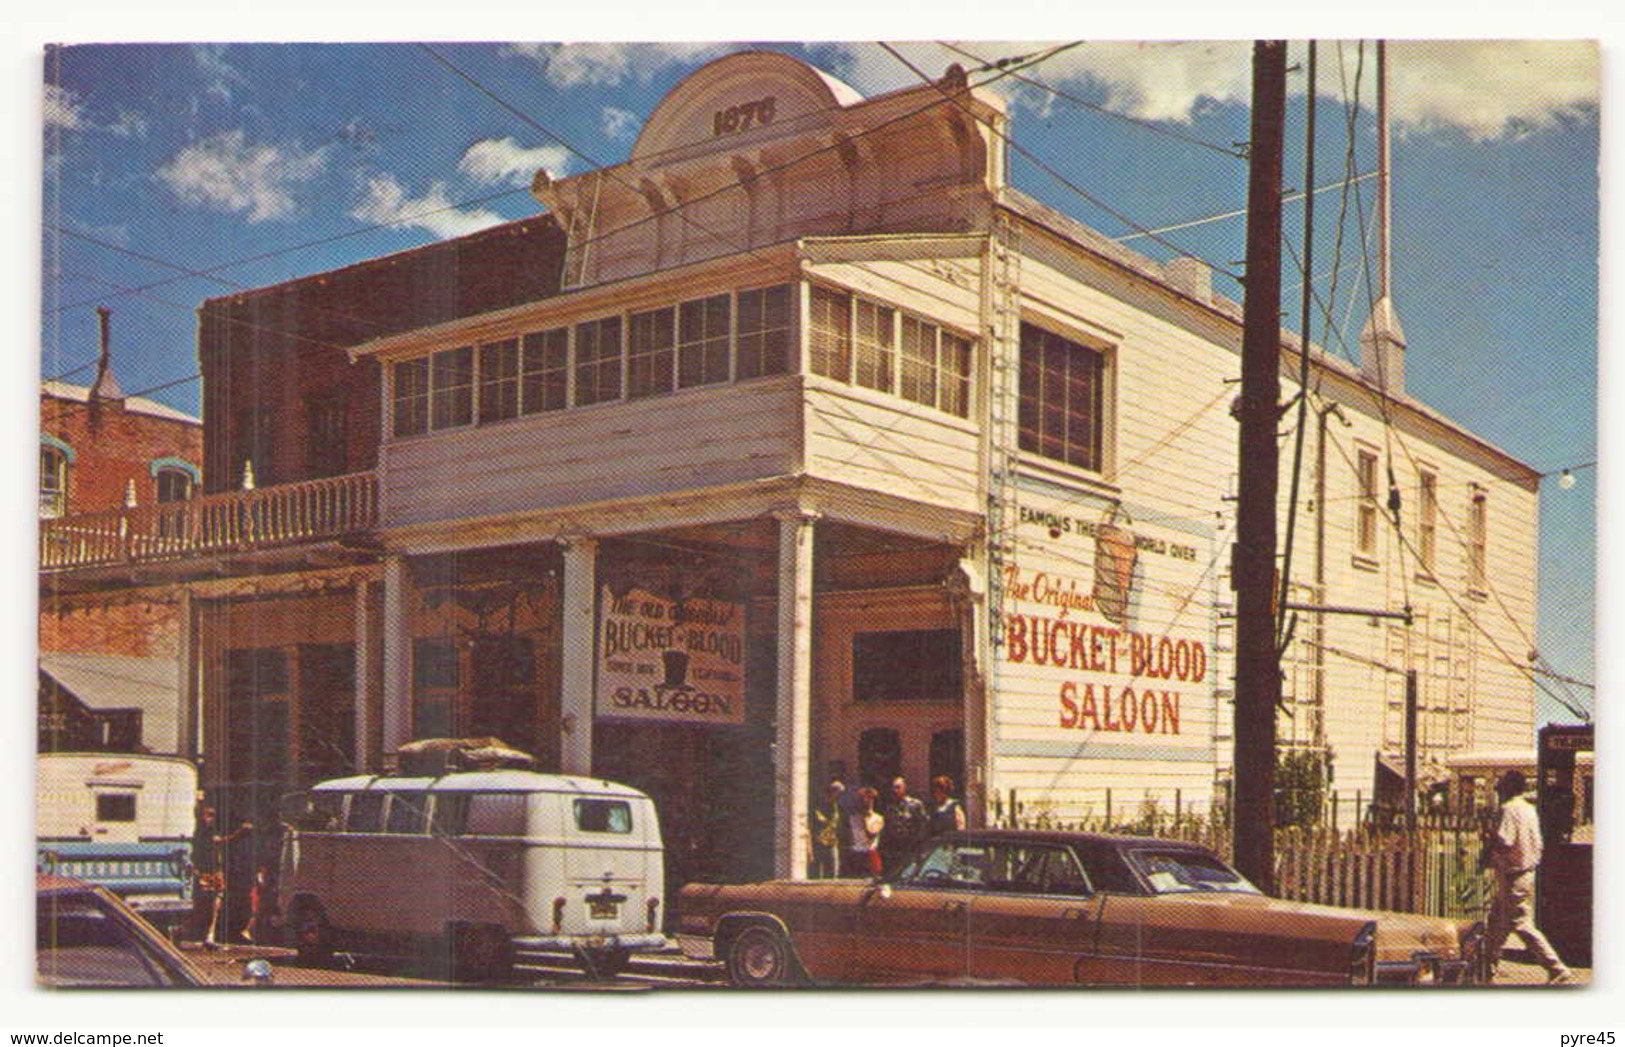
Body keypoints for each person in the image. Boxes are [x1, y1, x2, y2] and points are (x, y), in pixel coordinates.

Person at [1481, 770, 1572, 983]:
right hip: (1525, 871)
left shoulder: (1509, 809)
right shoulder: (1530, 809)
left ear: (1508, 788)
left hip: (1513, 873)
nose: (1499, 791)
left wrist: (1489, 841)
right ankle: (1486, 970)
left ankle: (1556, 968)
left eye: (1501, 786)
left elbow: (1505, 840)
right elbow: (1538, 843)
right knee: (1496, 922)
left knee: (1520, 923)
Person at [880, 776, 927, 875]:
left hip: (911, 846)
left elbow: (923, 825)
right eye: (893, 787)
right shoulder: (890, 807)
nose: (894, 790)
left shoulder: (915, 805)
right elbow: (887, 827)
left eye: (898, 787)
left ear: (905, 788)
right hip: (894, 847)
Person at [841, 787, 884, 878]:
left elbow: (871, 835)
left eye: (869, 798)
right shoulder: (853, 818)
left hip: (869, 853)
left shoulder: (878, 818)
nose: (865, 801)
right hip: (856, 853)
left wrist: (864, 820)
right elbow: (848, 836)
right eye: (862, 798)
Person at [810, 778, 846, 879]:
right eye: (838, 793)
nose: (839, 796)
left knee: (833, 871)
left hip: (832, 843)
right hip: (818, 843)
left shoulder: (837, 807)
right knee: (818, 873)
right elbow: (811, 826)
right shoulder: (819, 806)